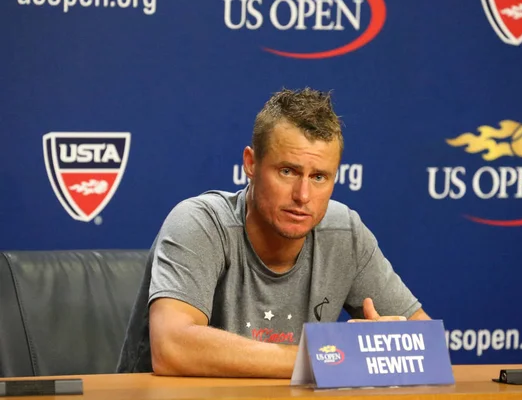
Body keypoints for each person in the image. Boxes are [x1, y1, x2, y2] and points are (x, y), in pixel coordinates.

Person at [116, 87, 430, 377]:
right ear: (251, 164)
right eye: (287, 171)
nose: (303, 195)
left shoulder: (343, 233)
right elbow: (172, 348)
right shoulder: (199, 223)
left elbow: (428, 347)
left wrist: (391, 347)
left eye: (319, 177)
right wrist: (329, 356)